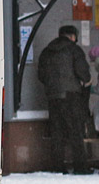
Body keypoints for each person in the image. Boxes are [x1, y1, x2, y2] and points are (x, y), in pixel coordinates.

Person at [37, 24, 92, 175]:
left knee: (57, 133)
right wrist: (85, 82)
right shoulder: (74, 50)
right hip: (71, 95)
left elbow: (41, 75)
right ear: (73, 36)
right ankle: (80, 167)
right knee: (76, 131)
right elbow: (84, 73)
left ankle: (57, 166)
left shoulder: (46, 51)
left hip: (53, 96)